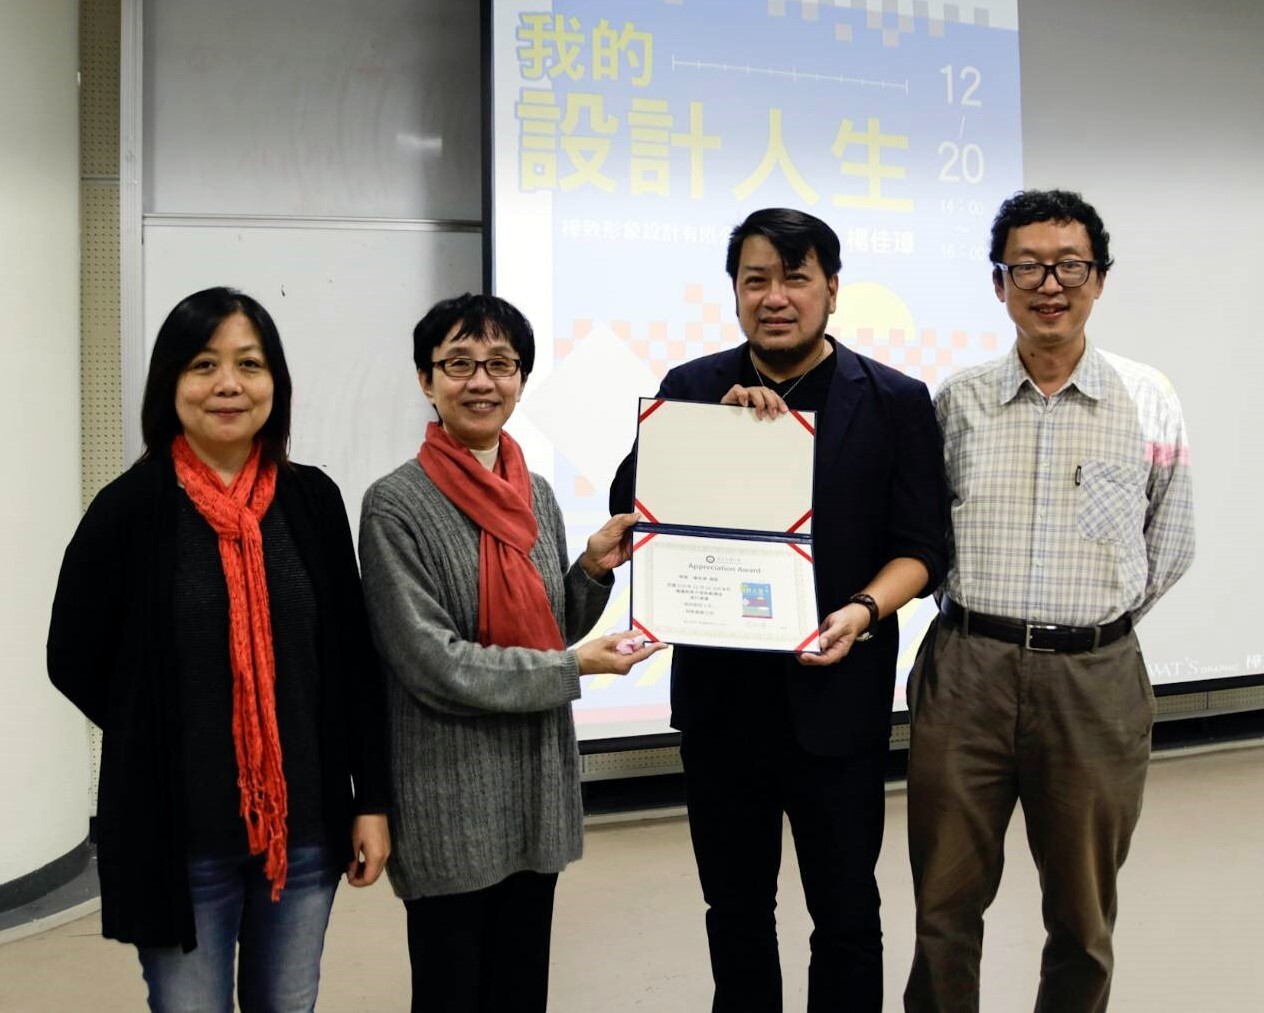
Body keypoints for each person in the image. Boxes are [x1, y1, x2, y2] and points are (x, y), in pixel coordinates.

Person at [610, 208, 948, 1012]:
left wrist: (863, 610)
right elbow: (637, 510)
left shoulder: (894, 399)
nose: (775, 296)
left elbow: (922, 548)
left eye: (796, 278)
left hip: (839, 703)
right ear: (734, 291)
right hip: (722, 707)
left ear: (832, 288)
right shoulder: (693, 387)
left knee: (846, 911)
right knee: (734, 909)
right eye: (755, 279)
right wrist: (713, 438)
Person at [47, 287, 391, 1011]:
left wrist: (372, 801)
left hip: (304, 830)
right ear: (171, 383)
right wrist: (156, 727)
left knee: (287, 1002)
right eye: (204, 364)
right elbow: (72, 655)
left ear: (275, 383)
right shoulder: (129, 509)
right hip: (179, 836)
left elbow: (354, 666)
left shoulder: (312, 502)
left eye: (249, 364)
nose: (228, 384)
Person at [903, 190, 1196, 1013]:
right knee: (943, 906)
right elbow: (927, 538)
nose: (1049, 285)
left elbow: (1171, 542)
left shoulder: (1148, 397)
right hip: (968, 673)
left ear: (1099, 278)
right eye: (1027, 267)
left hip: (1094, 680)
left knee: (1082, 916)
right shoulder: (958, 401)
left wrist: (1096, 629)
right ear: (999, 283)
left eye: (1070, 266)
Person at [358, 292, 665, 1013]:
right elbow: (432, 661)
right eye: (459, 363)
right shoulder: (394, 504)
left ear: (521, 379)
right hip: (449, 795)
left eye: (500, 363)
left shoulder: (536, 493)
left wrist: (590, 570)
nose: (481, 381)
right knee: (452, 992)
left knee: (521, 989)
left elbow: (545, 627)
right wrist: (574, 667)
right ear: (426, 379)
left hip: (534, 784)